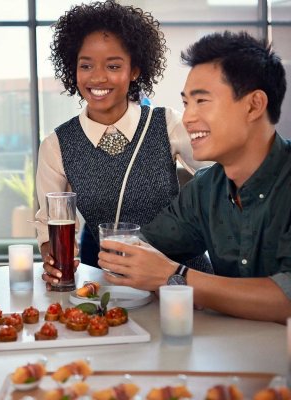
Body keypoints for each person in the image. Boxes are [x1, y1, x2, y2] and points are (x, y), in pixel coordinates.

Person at [98, 31, 291, 323]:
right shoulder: (205, 188)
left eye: (201, 101)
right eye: (186, 103)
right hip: (232, 357)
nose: (187, 118)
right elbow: (145, 252)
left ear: (254, 105)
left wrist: (177, 276)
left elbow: (286, 300)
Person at [37, 1, 211, 288]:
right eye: (86, 65)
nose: (98, 77)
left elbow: (220, 176)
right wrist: (54, 261)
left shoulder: (167, 124)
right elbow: (49, 224)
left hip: (183, 283)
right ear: (73, 70)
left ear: (134, 71)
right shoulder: (57, 145)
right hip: (117, 288)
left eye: (113, 65)